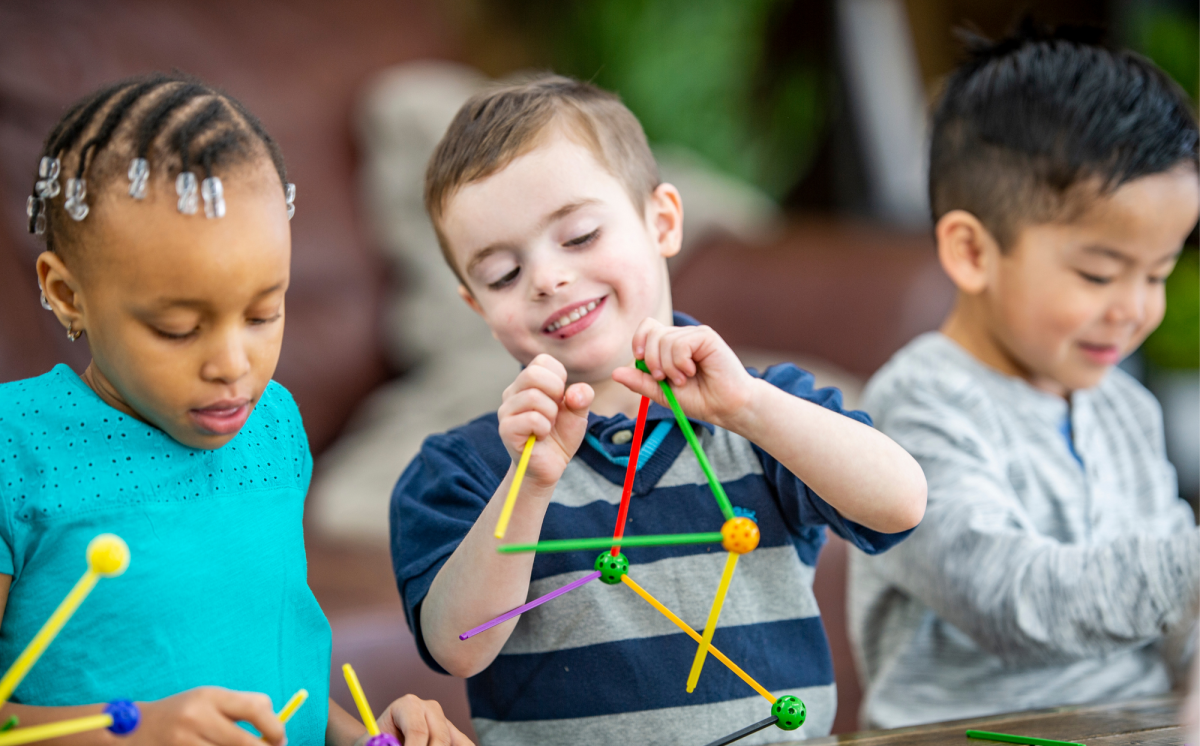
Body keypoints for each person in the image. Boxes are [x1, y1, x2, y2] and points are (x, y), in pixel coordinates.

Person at [389, 74, 927, 746]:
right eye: (502, 274)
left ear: (664, 221)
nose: (548, 278)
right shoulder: (459, 470)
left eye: (579, 235)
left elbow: (901, 503)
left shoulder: (762, 417)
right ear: (475, 305)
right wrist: (529, 481)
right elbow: (458, 646)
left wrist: (752, 408)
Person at [2, 74, 472, 746]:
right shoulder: (14, 449)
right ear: (66, 293)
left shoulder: (272, 427)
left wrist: (363, 737)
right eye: (177, 327)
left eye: (263, 313)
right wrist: (130, 731)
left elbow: (276, 696)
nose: (233, 364)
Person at [848, 23, 1200, 729]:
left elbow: (1177, 621)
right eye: (1099, 273)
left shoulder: (1124, 409)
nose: (1136, 309)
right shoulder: (918, 407)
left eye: (1158, 274)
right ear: (973, 251)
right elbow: (1012, 601)